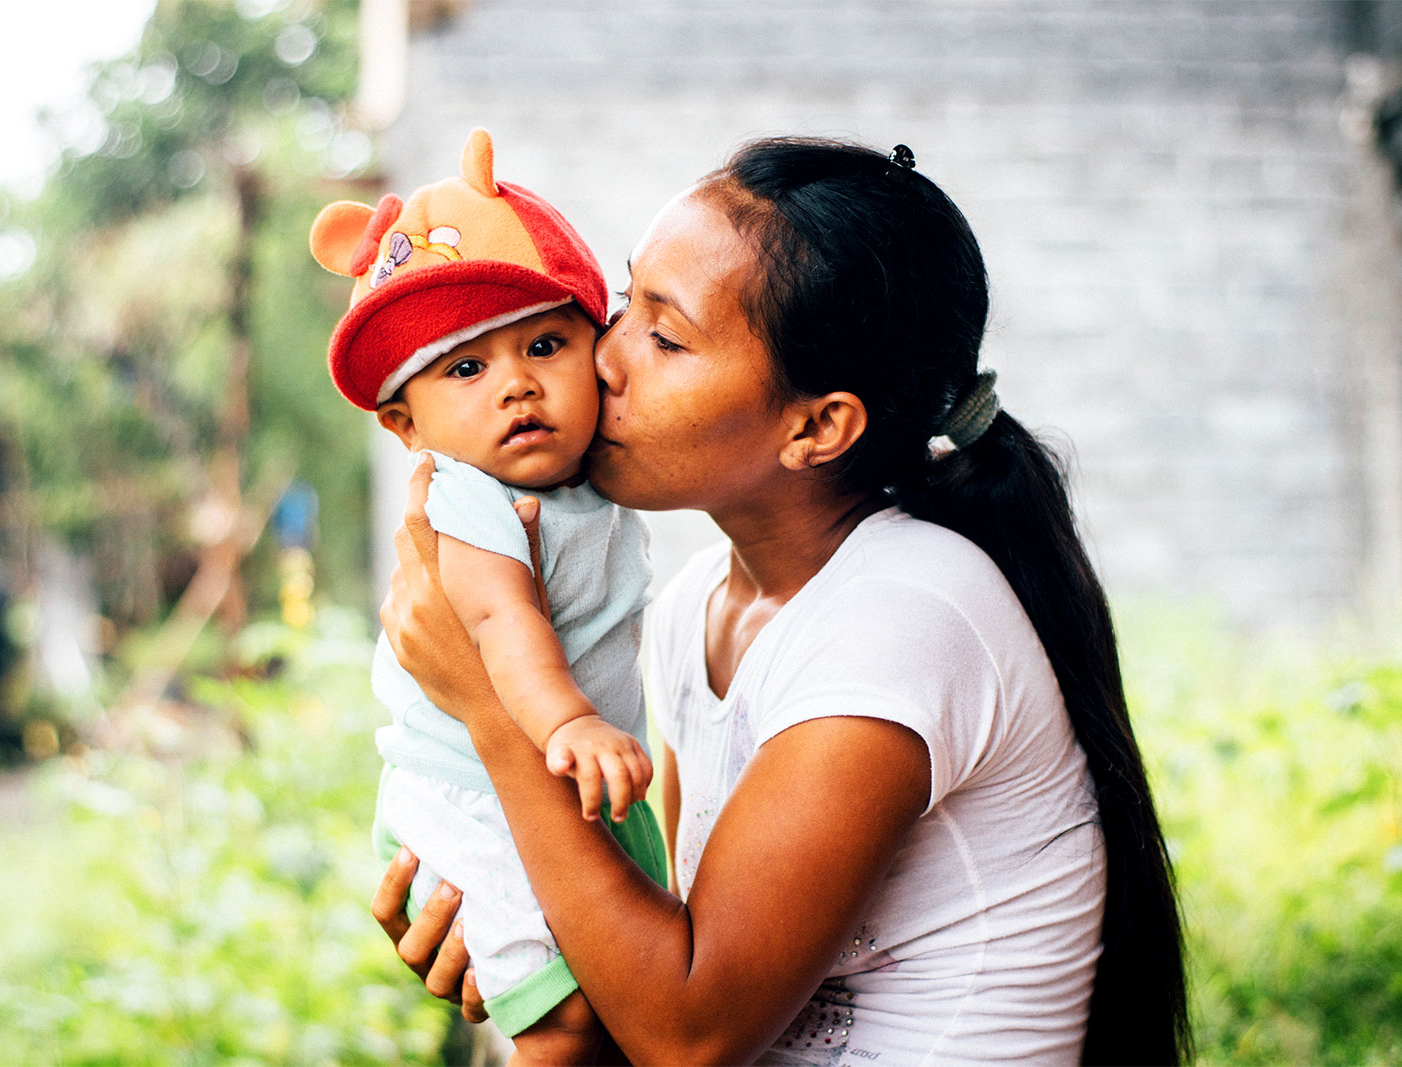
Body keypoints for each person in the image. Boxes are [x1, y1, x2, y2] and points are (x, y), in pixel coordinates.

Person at [374, 137, 1191, 1064]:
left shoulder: (903, 615)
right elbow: (655, 962)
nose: (604, 359)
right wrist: (524, 939)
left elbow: (686, 1032)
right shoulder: (694, 610)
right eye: (625, 303)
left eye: (666, 337)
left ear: (817, 426)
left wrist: (486, 706)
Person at [310, 127, 666, 1064]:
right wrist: (568, 727)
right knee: (560, 1023)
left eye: (545, 344)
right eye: (465, 369)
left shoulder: (593, 483)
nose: (516, 385)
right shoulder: (468, 496)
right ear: (405, 422)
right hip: (476, 790)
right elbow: (502, 620)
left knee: (630, 986)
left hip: (568, 779)